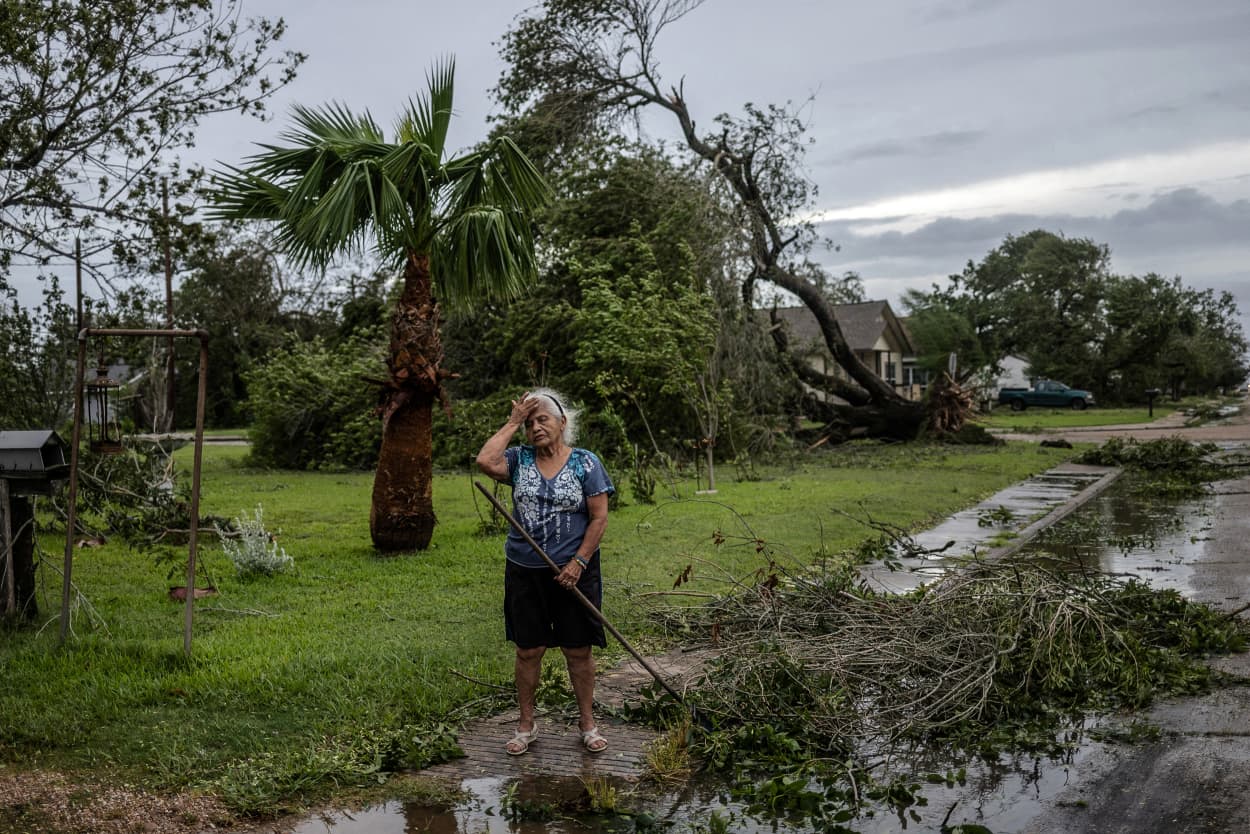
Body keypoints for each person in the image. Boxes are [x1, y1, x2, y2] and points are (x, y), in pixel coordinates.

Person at [476, 388, 615, 756]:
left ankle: (587, 723)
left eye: (543, 419)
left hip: (576, 571)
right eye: (531, 422)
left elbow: (599, 517)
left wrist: (578, 562)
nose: (536, 427)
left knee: (578, 649)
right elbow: (484, 461)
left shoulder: (586, 463)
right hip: (526, 570)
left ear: (562, 423)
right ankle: (526, 725)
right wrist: (512, 421)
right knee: (528, 649)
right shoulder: (518, 460)